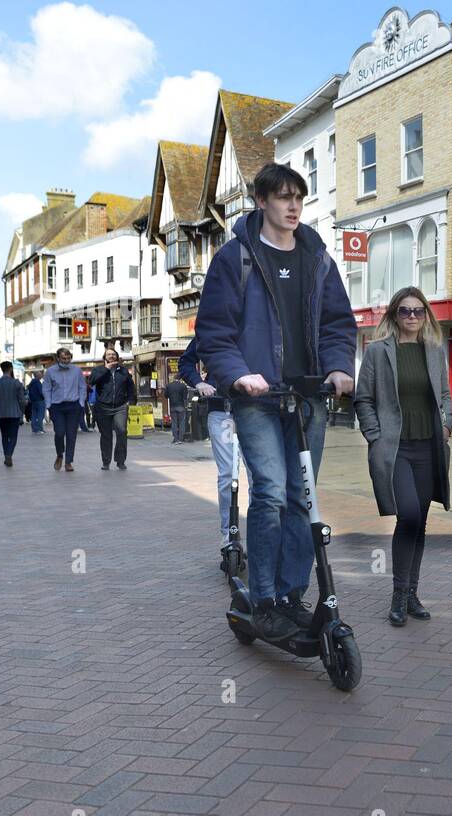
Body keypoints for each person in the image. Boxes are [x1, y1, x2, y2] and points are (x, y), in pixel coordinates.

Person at [196, 161, 355, 642]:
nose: (292, 206)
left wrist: (338, 368)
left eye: (298, 198)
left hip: (308, 398)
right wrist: (239, 375)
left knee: (300, 497)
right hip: (259, 399)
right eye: (283, 197)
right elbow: (214, 333)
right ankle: (263, 598)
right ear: (261, 201)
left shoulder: (318, 259)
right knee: (268, 492)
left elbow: (336, 323)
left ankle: (291, 594)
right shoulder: (235, 258)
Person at [354, 288, 452, 627]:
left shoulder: (434, 350)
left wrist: (447, 424)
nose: (412, 317)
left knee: (420, 521)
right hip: (395, 449)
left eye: (418, 311)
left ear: (427, 315)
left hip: (429, 447)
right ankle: (398, 593)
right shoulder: (378, 352)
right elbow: (362, 398)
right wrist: (374, 434)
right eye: (405, 311)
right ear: (394, 314)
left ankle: (412, 594)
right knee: (408, 515)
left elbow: (444, 394)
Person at [178, 337, 249, 557]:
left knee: (260, 477)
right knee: (228, 474)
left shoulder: (256, 321)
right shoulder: (209, 330)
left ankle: (260, 535)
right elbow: (185, 363)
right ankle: (229, 535)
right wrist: (198, 382)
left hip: (255, 410)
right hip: (221, 410)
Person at [89, 347, 136, 470]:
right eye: (108, 354)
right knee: (106, 435)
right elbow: (92, 381)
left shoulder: (123, 371)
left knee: (121, 432)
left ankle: (120, 461)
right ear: (104, 357)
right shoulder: (98, 369)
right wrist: (106, 369)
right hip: (103, 407)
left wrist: (131, 401)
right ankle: (106, 461)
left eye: (113, 354)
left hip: (120, 406)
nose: (111, 356)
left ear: (117, 356)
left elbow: (131, 387)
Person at [44, 347, 86, 472]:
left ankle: (68, 462)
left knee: (71, 435)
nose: (66, 360)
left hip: (74, 406)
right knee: (59, 433)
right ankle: (59, 455)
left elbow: (82, 387)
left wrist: (81, 402)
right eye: (63, 358)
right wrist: (49, 405)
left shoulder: (77, 370)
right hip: (57, 406)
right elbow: (46, 389)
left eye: (68, 358)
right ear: (58, 358)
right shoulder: (50, 371)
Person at [0, 361, 27, 466]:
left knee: (4, 436)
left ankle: (6, 455)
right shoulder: (17, 383)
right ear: (11, 369)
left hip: (0, 414)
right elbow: (22, 401)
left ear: (2, 369)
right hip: (14, 414)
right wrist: (23, 411)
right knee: (13, 436)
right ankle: (9, 455)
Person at [166, 377, 189, 444]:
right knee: (182, 423)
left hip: (172, 406)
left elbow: (165, 395)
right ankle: (181, 439)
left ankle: (175, 439)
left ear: (174, 378)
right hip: (181, 406)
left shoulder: (169, 385)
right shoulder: (183, 386)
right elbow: (185, 397)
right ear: (180, 379)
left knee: (174, 423)